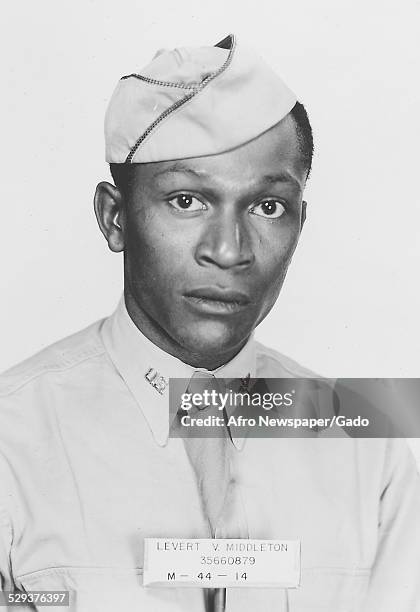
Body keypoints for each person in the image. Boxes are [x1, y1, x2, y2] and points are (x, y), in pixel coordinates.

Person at [0, 34, 419, 612]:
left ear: (301, 222)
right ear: (114, 218)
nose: (228, 251)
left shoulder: (372, 446)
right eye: (186, 201)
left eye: (267, 206)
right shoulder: (11, 439)